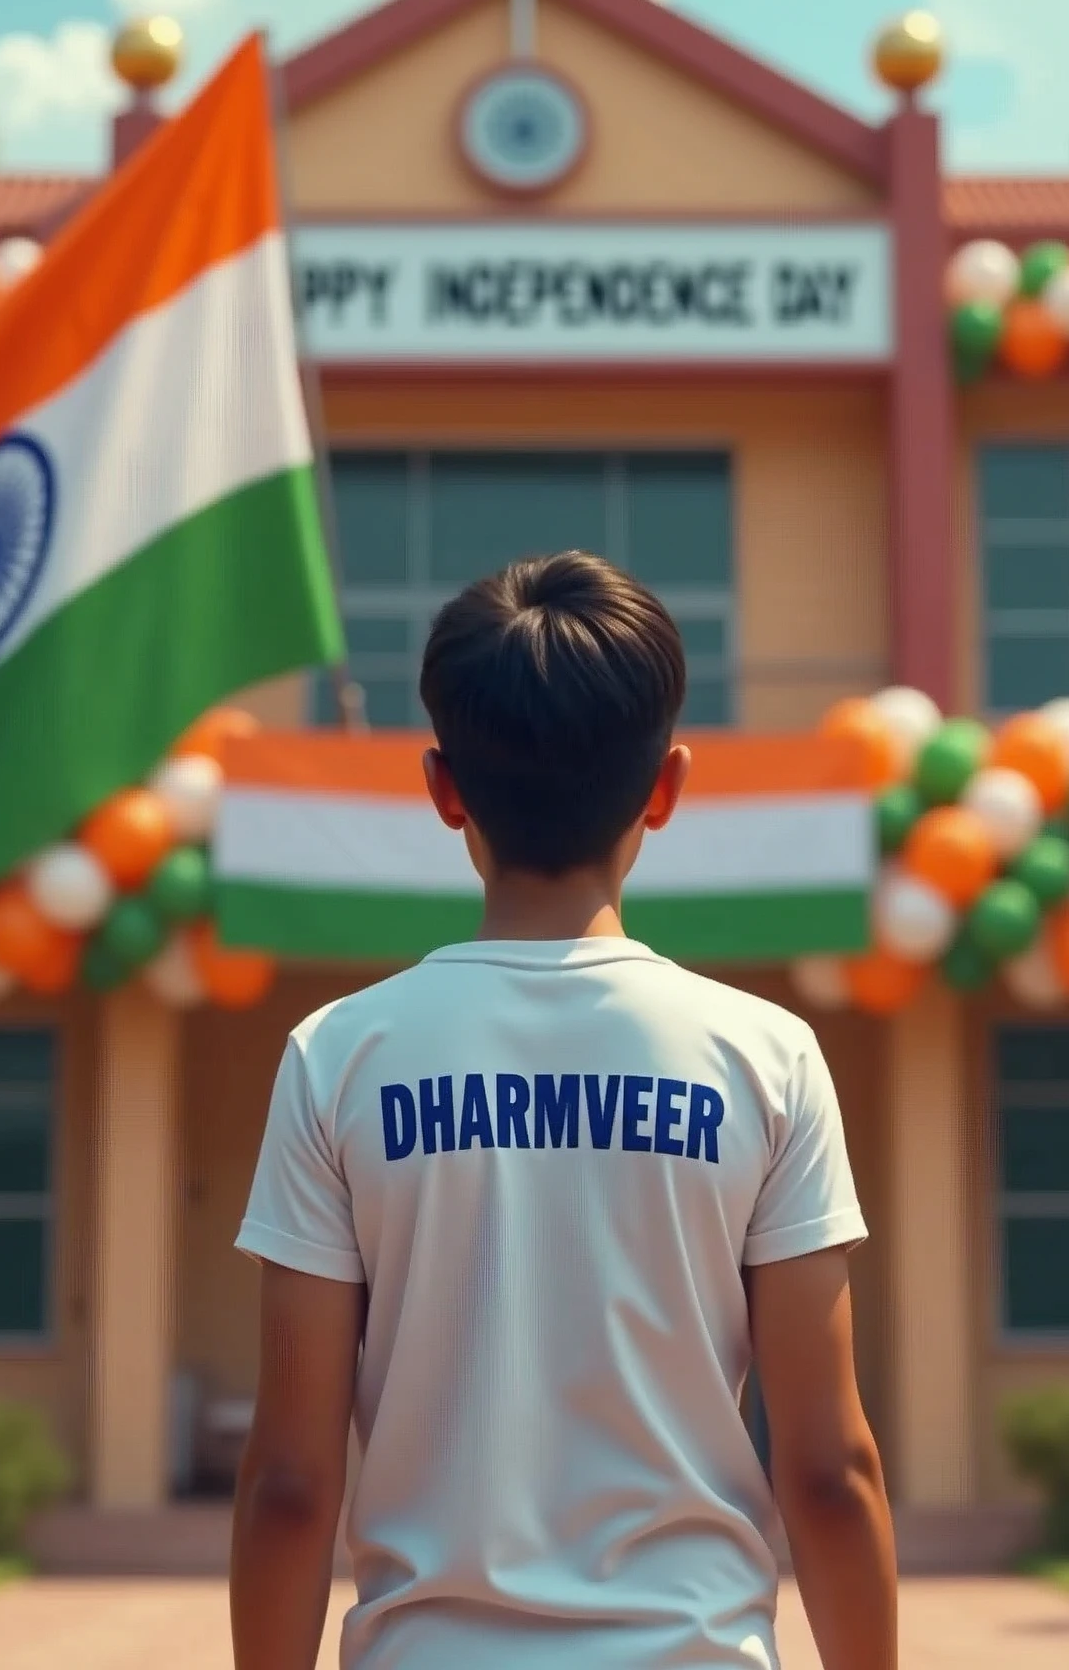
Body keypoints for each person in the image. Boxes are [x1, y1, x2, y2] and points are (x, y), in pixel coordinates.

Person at [230, 551, 897, 1670]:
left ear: (444, 787)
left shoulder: (337, 1057)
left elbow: (291, 1483)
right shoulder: (766, 1057)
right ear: (667, 785)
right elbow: (830, 1470)